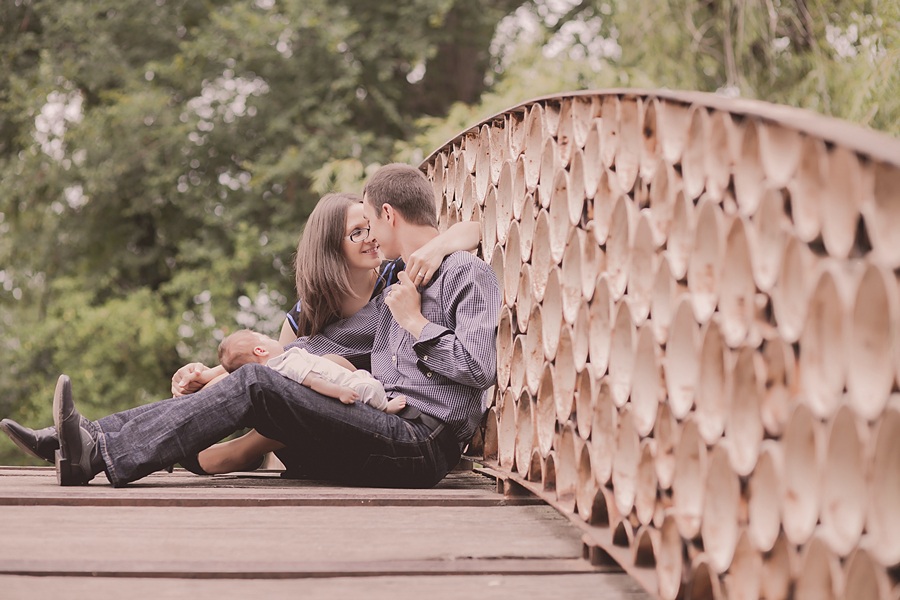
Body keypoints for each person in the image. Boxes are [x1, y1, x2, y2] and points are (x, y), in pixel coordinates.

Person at [2, 163, 500, 489]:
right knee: (264, 379)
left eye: (369, 221)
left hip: (421, 444)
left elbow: (479, 368)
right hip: (385, 428)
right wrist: (217, 375)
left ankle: (94, 453)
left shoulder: (460, 275)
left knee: (261, 384)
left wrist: (415, 320)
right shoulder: (395, 285)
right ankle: (83, 439)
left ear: (388, 214)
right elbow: (300, 352)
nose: (369, 233)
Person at [218, 329, 406, 414]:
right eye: (265, 338)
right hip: (342, 385)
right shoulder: (285, 364)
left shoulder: (283, 363)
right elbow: (313, 381)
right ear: (261, 350)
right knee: (368, 388)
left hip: (346, 377)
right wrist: (340, 392)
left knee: (364, 379)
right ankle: (385, 408)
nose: (271, 339)